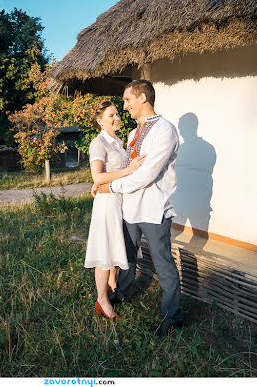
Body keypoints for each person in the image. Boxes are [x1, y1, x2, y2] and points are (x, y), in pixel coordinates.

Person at [94, 80, 183, 336]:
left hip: (154, 208)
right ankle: (121, 293)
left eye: (127, 100)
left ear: (143, 98)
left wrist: (110, 188)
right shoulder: (133, 134)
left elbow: (147, 175)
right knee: (127, 257)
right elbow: (121, 171)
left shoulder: (165, 130)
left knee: (163, 263)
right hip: (130, 207)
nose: (124, 106)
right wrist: (102, 182)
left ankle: (172, 316)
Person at [85, 100, 146, 321]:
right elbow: (98, 177)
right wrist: (129, 169)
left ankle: (112, 283)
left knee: (113, 248)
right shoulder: (98, 143)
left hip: (120, 202)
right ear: (100, 121)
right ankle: (102, 300)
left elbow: (110, 173)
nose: (116, 117)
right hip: (107, 204)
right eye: (110, 115)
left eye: (116, 113)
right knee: (104, 252)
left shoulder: (118, 142)